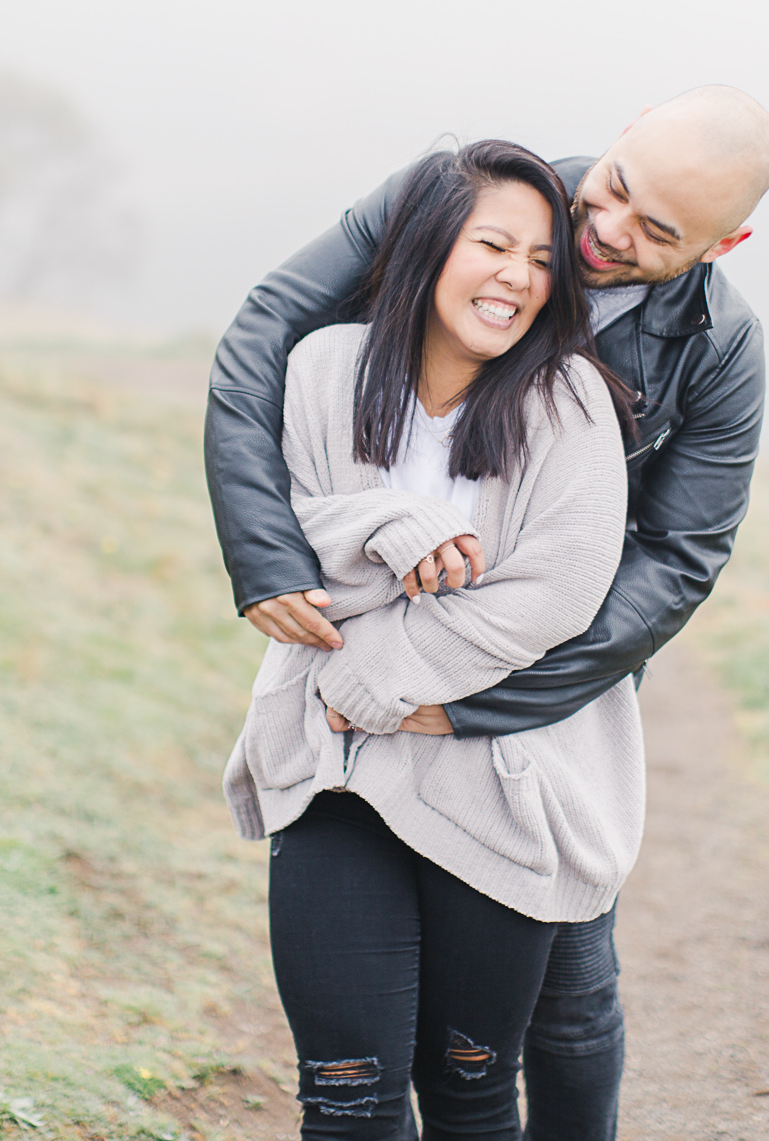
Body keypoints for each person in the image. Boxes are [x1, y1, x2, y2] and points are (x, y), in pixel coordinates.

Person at [207, 86, 769, 1137]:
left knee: (563, 998)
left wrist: (487, 702)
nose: (600, 233)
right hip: (354, 674)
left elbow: (675, 557)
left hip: (541, 684)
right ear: (616, 138)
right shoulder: (471, 197)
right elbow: (261, 339)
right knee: (356, 1063)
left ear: (721, 243)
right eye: (610, 191)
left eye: (656, 233)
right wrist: (263, 553)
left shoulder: (716, 348)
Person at [223, 139, 637, 1137]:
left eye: (540, 261)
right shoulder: (326, 368)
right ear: (424, 245)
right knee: (346, 1094)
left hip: (491, 791)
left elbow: (554, 597)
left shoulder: (569, 402)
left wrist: (373, 669)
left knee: (467, 1090)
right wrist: (381, 525)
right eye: (491, 245)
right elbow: (283, 529)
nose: (516, 279)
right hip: (336, 776)